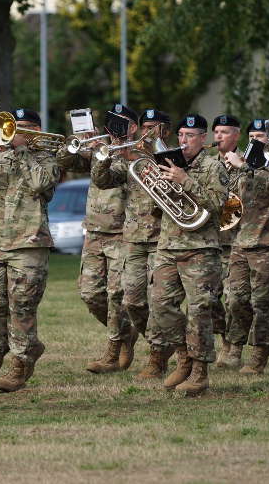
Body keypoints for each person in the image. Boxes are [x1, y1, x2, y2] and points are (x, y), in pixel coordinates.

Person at [0, 107, 60, 392]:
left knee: (22, 305)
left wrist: (22, 152)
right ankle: (12, 348)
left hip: (29, 242)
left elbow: (40, 185)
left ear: (36, 132)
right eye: (12, 126)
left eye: (23, 127)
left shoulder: (46, 158)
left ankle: (20, 364)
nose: (14, 131)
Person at [149, 113, 228, 394]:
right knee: (160, 306)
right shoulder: (170, 161)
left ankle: (199, 371)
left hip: (201, 249)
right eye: (180, 136)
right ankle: (184, 355)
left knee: (198, 311)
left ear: (203, 138)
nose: (183, 141)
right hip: (169, 245)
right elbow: (158, 206)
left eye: (190, 136)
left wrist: (185, 181)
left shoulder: (213, 165)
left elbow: (220, 203)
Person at [91, 108, 168, 378]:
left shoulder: (171, 156)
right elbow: (102, 181)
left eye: (154, 126)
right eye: (145, 125)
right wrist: (104, 155)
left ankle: (159, 357)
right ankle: (159, 345)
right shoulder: (128, 157)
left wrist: (140, 154)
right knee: (133, 302)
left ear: (165, 130)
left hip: (163, 239)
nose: (149, 130)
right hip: (134, 238)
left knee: (160, 302)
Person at [55, 103, 129, 374]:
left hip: (123, 233)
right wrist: (78, 141)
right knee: (90, 293)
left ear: (132, 126)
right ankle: (125, 333)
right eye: (112, 123)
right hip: (95, 232)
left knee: (116, 295)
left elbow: (108, 177)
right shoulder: (99, 150)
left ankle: (113, 350)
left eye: (121, 123)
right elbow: (65, 161)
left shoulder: (133, 153)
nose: (115, 129)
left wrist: (107, 151)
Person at [222, 119, 269, 374]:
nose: (255, 140)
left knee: (261, 302)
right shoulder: (240, 161)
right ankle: (235, 345)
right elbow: (230, 200)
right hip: (241, 240)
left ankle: (260, 350)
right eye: (251, 135)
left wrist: (247, 167)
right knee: (235, 299)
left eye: (260, 135)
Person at [210, 114, 241, 367]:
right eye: (216, 132)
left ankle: (234, 346)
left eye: (225, 132)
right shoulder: (209, 163)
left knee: (234, 299)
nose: (219, 136)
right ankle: (224, 337)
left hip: (238, 242)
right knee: (209, 299)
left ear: (237, 135)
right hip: (212, 241)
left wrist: (242, 166)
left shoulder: (249, 161)